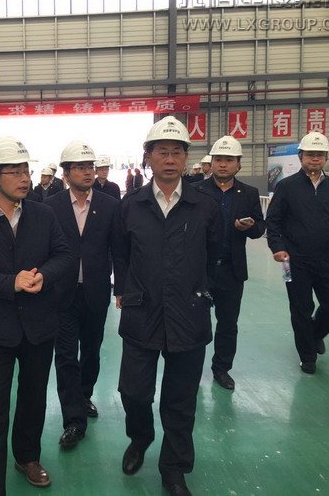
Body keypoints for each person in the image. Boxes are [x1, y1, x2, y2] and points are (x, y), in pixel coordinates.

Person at [0, 137, 73, 495]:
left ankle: (27, 457)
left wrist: (44, 276)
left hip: (39, 326)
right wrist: (11, 283)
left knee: (33, 399)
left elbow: (64, 255)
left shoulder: (44, 215)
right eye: (15, 171)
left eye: (26, 170)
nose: (24, 178)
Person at [116, 116, 220, 496]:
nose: (170, 159)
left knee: (180, 400)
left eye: (177, 152)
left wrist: (200, 291)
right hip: (141, 312)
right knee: (134, 391)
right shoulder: (131, 206)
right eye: (162, 152)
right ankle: (140, 436)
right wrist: (126, 290)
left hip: (188, 314)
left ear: (186, 158)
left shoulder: (204, 206)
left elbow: (214, 256)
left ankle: (174, 469)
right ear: (148, 157)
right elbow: (121, 255)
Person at [44, 141, 123, 450]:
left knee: (91, 350)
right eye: (80, 167)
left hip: (96, 291)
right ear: (66, 174)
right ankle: (73, 420)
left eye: (90, 166)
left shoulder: (110, 205)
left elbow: (119, 250)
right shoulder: (51, 207)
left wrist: (122, 288)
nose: (88, 172)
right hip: (61, 293)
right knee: (65, 355)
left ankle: (84, 394)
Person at [265, 131, 329, 374]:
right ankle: (307, 356)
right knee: (300, 308)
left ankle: (314, 334)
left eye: (320, 155)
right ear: (301, 156)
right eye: (310, 154)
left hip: (327, 259)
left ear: (326, 158)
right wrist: (278, 247)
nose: (315, 158)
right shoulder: (286, 186)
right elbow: (273, 221)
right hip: (293, 262)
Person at [193, 136, 266, 390]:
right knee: (196, 323)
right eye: (219, 159)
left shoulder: (249, 194)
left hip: (231, 270)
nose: (223, 164)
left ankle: (221, 368)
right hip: (200, 270)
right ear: (211, 162)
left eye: (229, 160)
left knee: (227, 323)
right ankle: (191, 369)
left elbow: (260, 228)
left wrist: (250, 227)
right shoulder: (196, 191)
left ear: (238, 164)